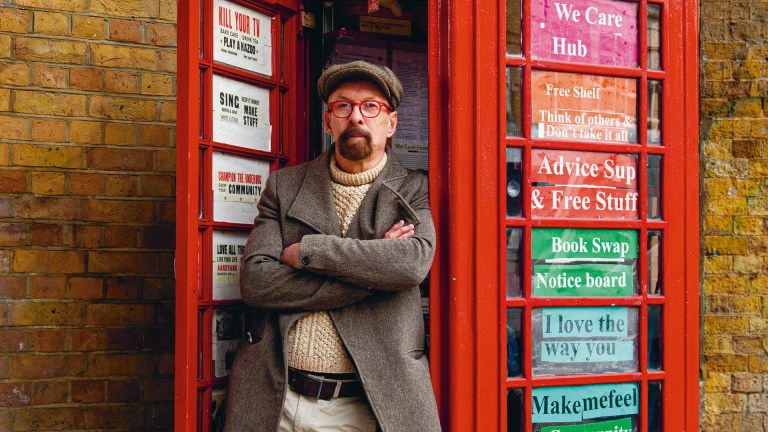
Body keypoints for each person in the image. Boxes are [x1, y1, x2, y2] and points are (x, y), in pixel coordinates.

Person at [224, 60, 441, 432]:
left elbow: (410, 265)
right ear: (329, 122)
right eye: (343, 106)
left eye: (370, 106)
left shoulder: (412, 189)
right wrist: (371, 274)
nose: (356, 117)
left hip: (372, 405)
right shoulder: (284, 186)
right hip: (280, 401)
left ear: (390, 124)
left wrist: (312, 251)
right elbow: (257, 282)